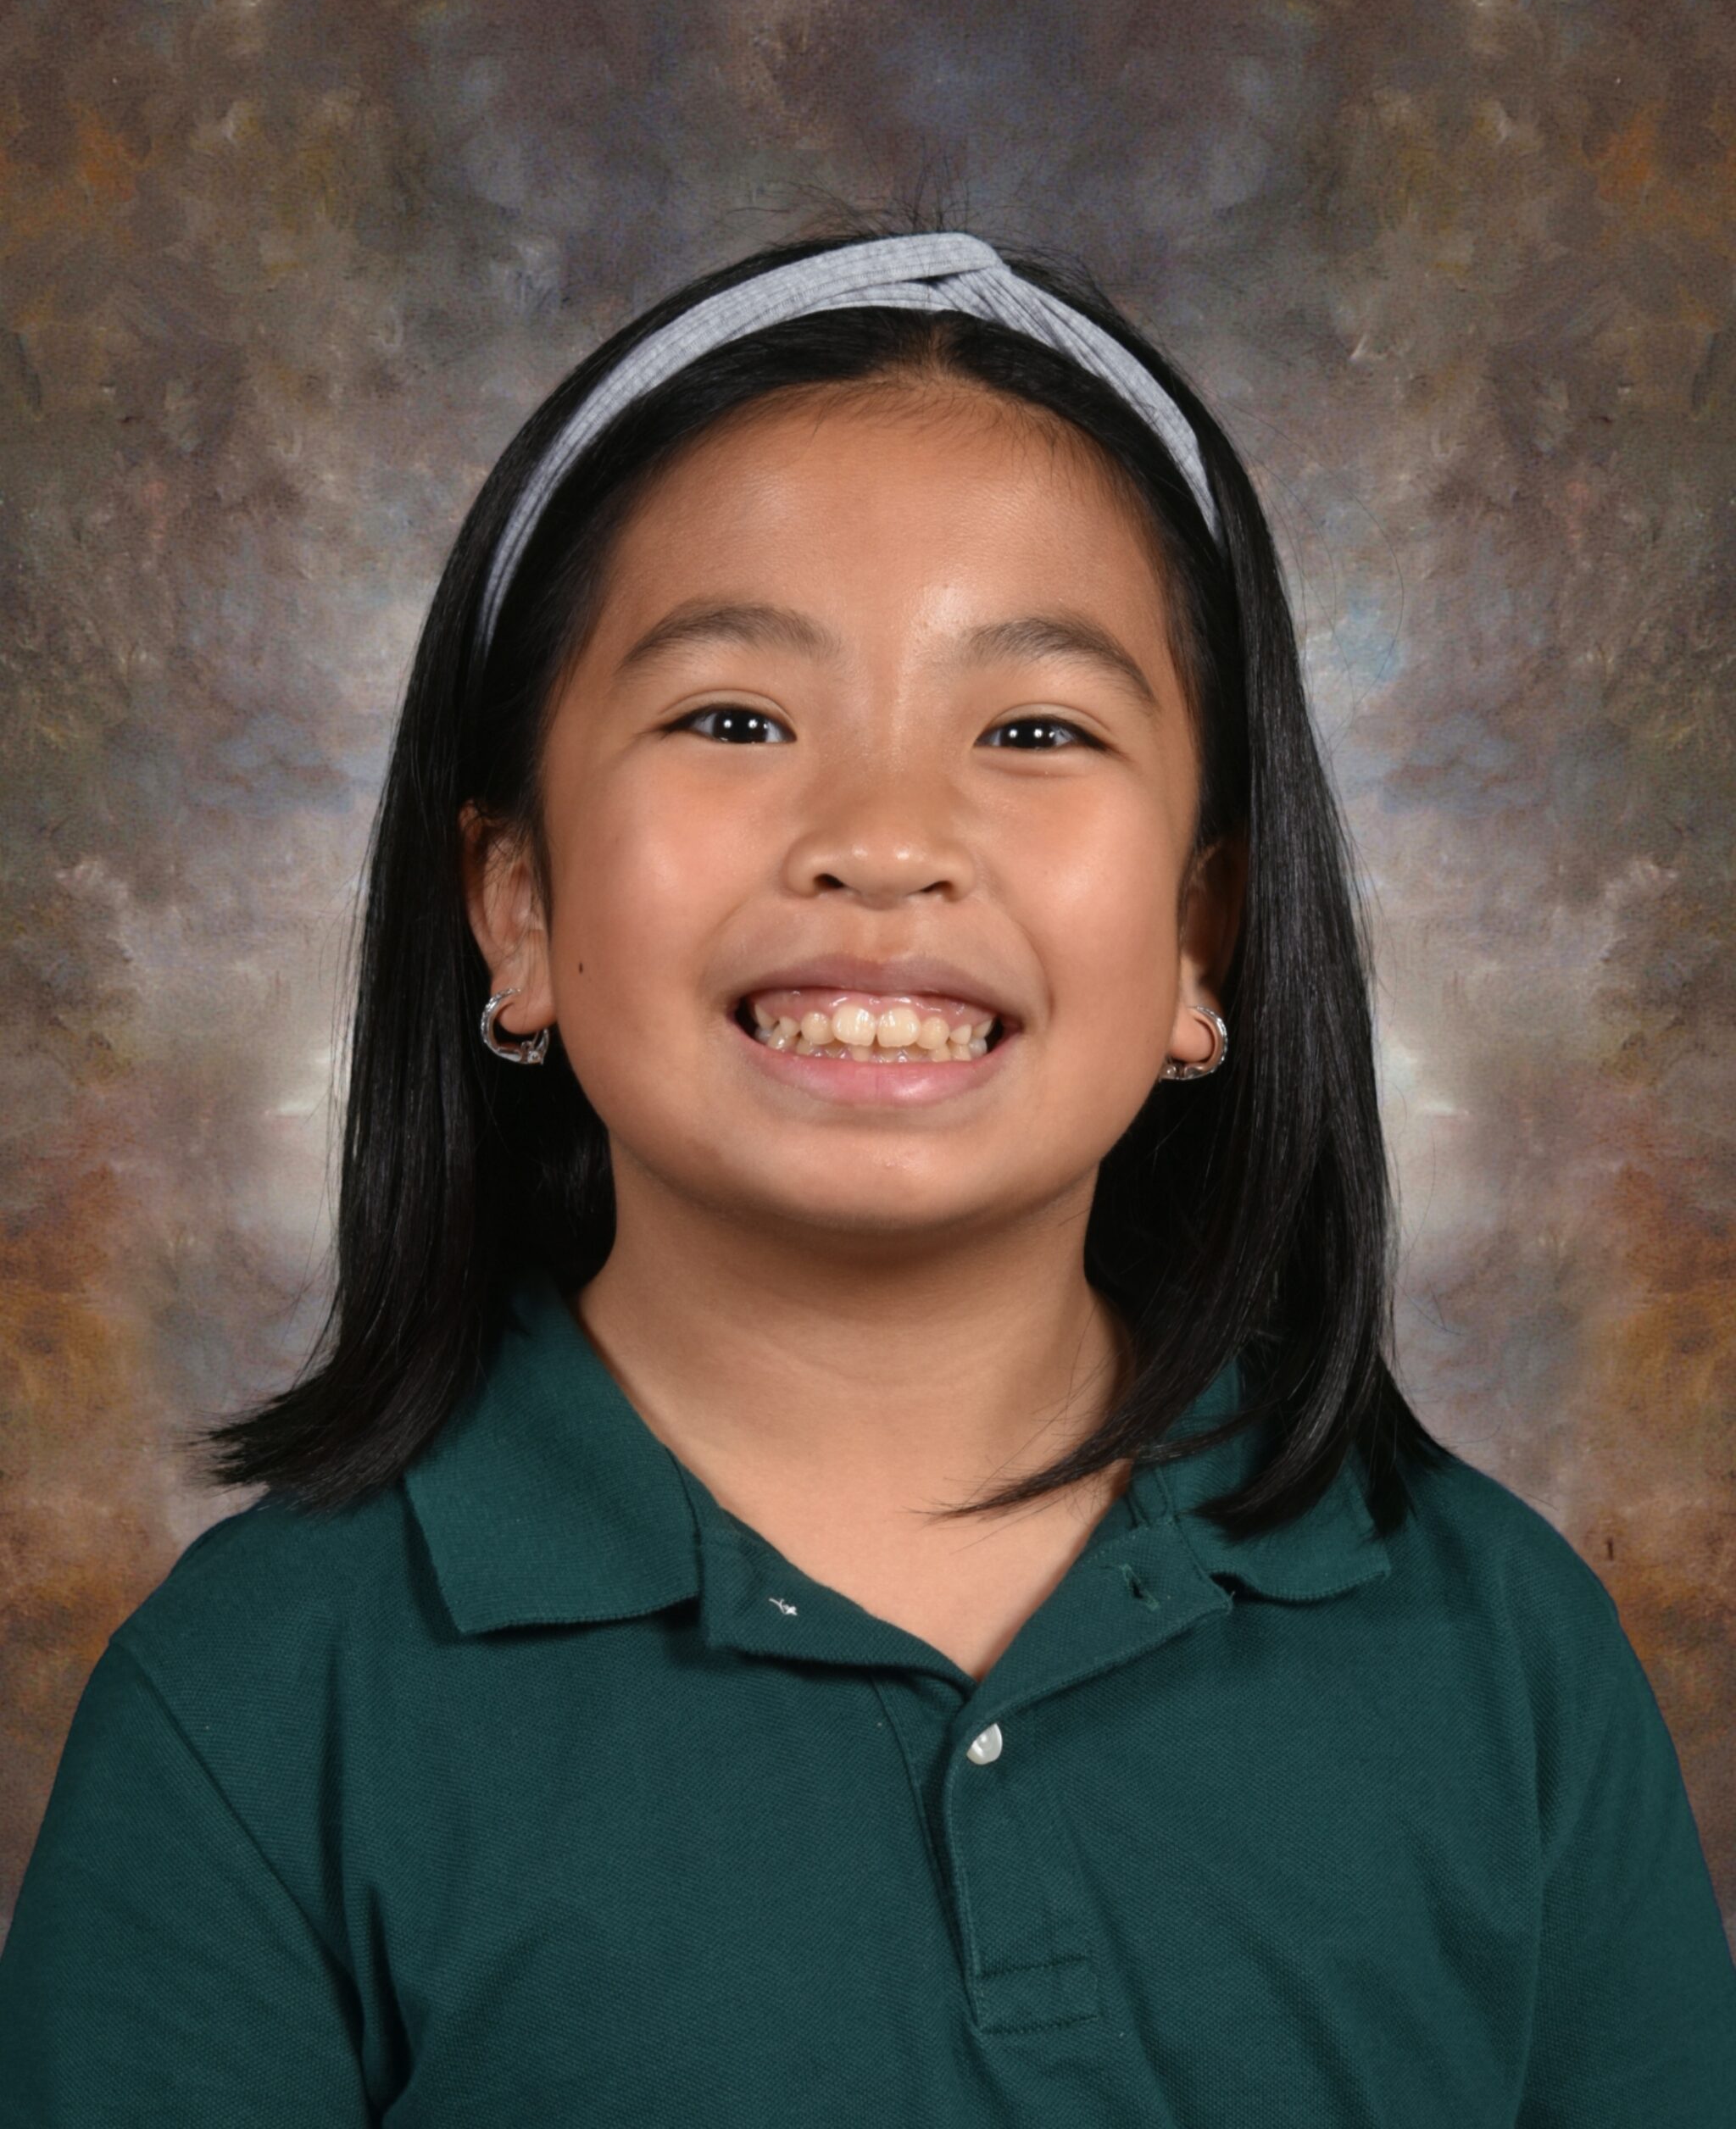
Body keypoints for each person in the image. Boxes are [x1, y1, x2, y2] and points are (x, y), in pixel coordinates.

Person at [2, 216, 1732, 2126]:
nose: (886, 840)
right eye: (734, 718)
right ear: (517, 904)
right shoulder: (256, 1707)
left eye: (1035, 728)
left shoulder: (1502, 1652)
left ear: (1201, 937)